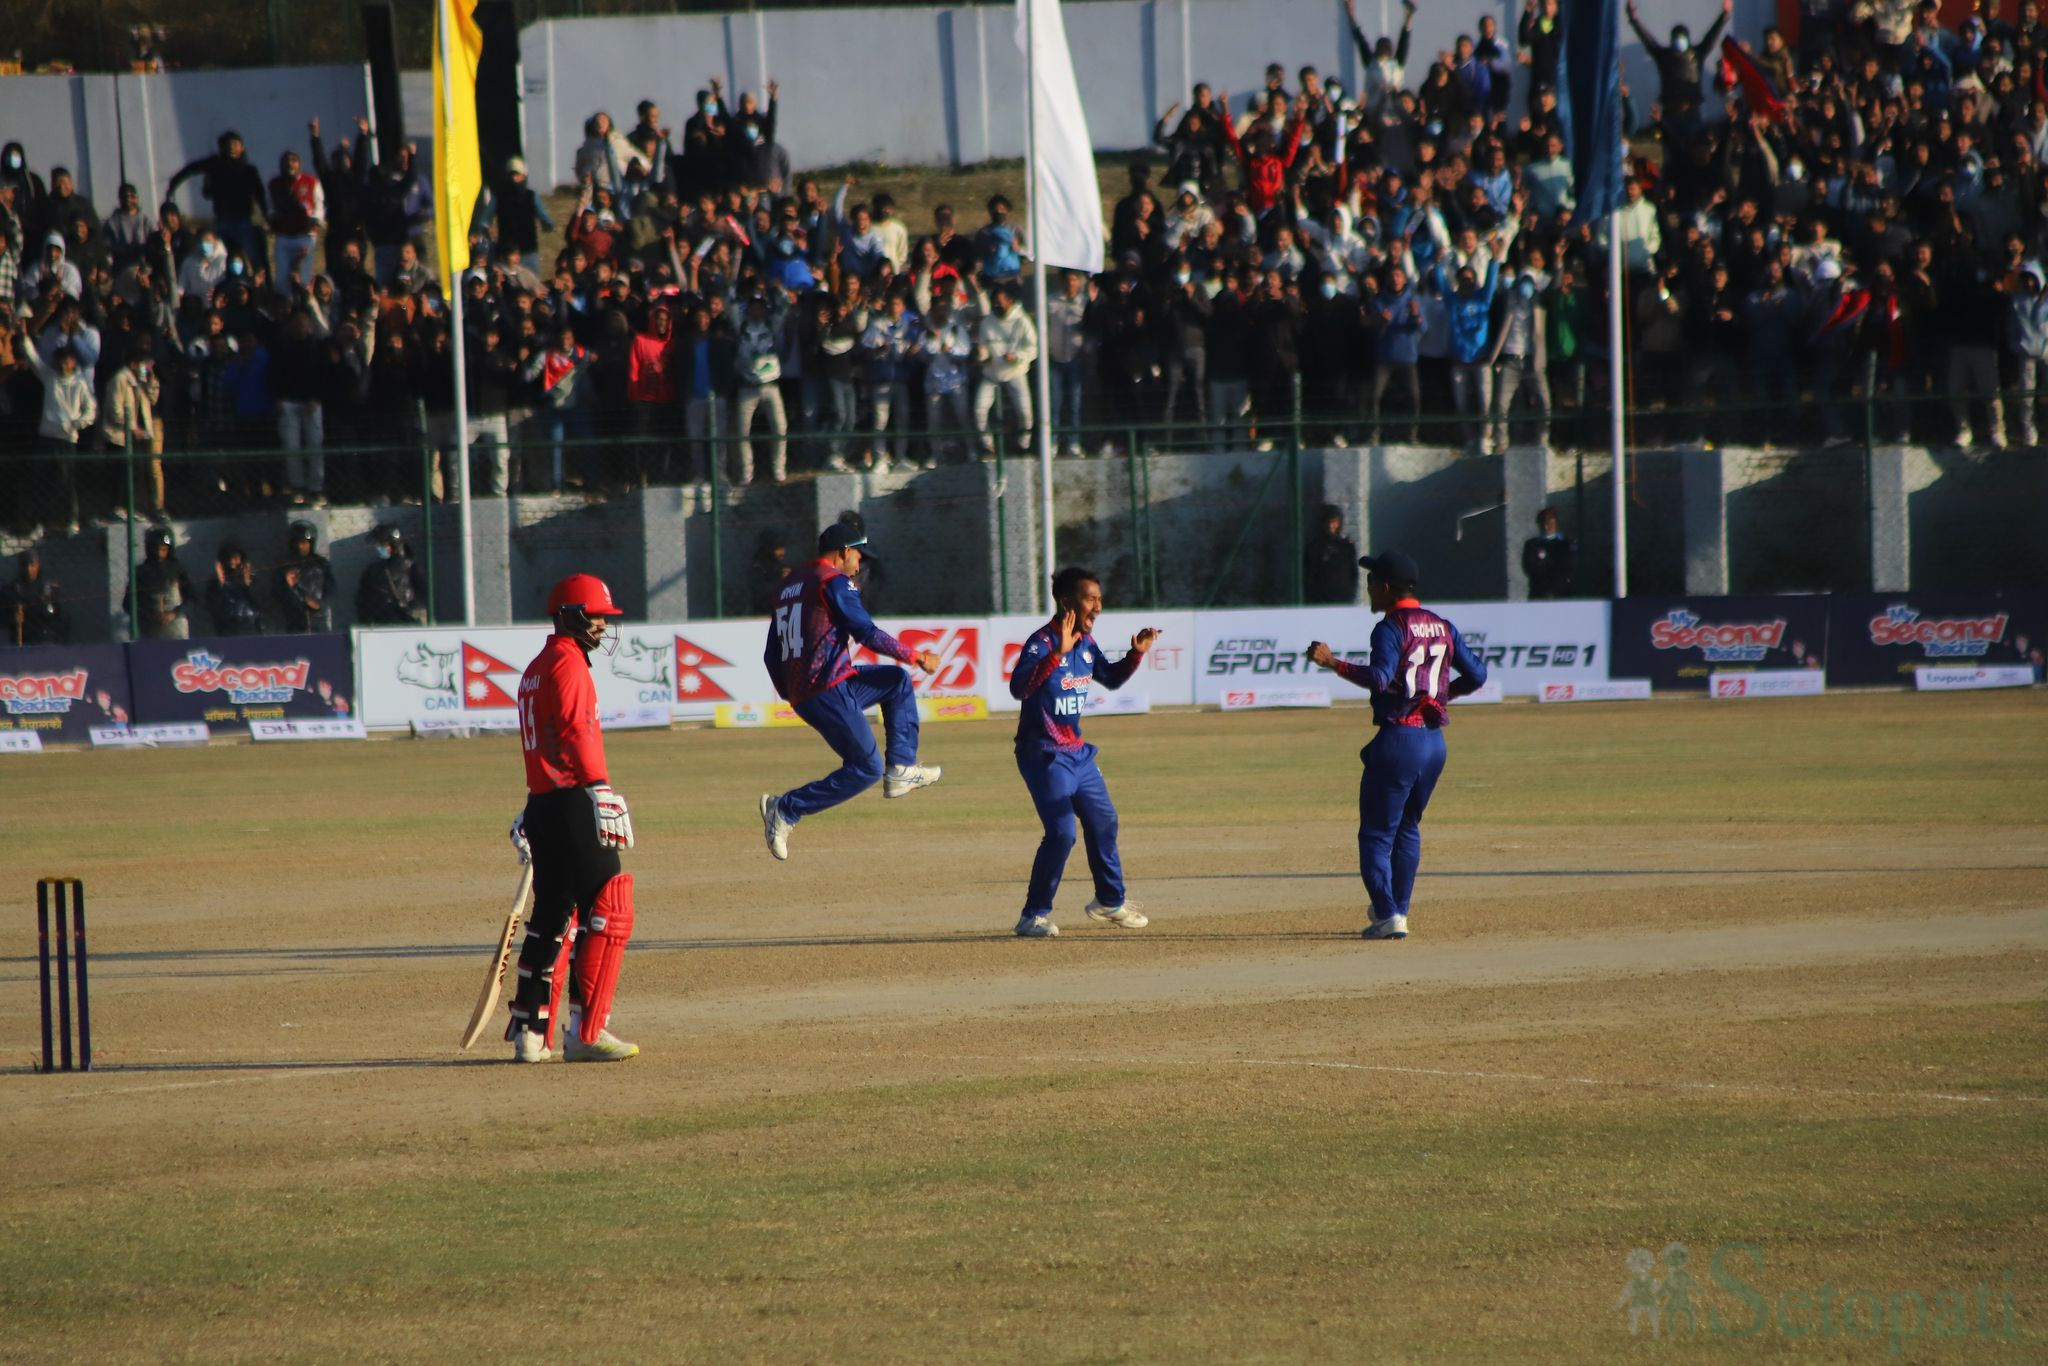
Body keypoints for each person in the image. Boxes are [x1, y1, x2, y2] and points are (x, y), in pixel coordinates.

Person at [1306, 551, 1486, 940]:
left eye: (1371, 582)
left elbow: (1380, 677)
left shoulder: (1389, 627)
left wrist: (1333, 663)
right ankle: (1398, 911)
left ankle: (1387, 914)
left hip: (1399, 740)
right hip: (1433, 743)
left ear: (1386, 587)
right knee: (1408, 827)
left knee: (1375, 835)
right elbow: (1478, 675)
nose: (1368, 588)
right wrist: (1439, 697)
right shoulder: (1442, 625)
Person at [504, 573, 640, 1064]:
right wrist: (600, 789)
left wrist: (533, 804)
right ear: (569, 615)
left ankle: (530, 1032)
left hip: (544, 803)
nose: (602, 625)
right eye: (595, 615)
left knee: (552, 916)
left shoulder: (536, 668)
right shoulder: (568, 664)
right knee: (608, 907)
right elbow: (578, 732)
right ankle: (587, 1030)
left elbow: (540, 744)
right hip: (575, 799)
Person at [757, 523, 943, 862]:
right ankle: (785, 808)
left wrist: (791, 693)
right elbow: (866, 633)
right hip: (827, 688)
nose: (859, 565)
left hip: (820, 688)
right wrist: (916, 656)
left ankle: (901, 768)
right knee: (867, 768)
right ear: (844, 552)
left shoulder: (789, 586)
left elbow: (771, 654)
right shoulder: (832, 581)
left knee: (895, 682)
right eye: (859, 556)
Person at [1007, 567, 1159, 939]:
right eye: (1090, 599)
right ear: (1067, 602)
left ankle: (1109, 901)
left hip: (1078, 754)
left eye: (1099, 599)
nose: (1098, 606)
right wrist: (1055, 654)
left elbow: (1111, 677)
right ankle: (1033, 916)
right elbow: (1018, 689)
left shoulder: (1086, 643)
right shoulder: (1042, 642)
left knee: (1104, 820)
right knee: (1062, 833)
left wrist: (1135, 655)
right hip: (1044, 754)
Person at [127, 525, 194, 641]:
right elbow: (128, 603)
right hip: (150, 627)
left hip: (175, 626)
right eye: (155, 549)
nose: (159, 554)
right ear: (149, 549)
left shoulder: (178, 570)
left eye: (163, 549)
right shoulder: (141, 572)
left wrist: (174, 614)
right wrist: (148, 615)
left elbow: (191, 599)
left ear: (169, 549)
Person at [355, 525, 428, 625]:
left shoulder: (410, 567)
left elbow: (421, 596)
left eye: (381, 545)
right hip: (386, 622)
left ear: (393, 546)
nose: (378, 548)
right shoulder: (376, 570)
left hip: (405, 621)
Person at [275, 520, 335, 633]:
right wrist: (289, 585)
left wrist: (319, 605)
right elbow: (277, 595)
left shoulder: (321, 565)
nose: (300, 546)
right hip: (295, 623)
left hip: (318, 621)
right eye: (296, 543)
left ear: (311, 543)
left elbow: (330, 591)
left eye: (304, 542)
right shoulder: (285, 567)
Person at [4, 550, 64, 646]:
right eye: (24, 565)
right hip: (21, 640)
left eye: (32, 565)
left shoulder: (48, 589)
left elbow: (57, 616)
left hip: (44, 639)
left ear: (38, 565)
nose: (28, 569)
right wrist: (13, 617)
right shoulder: (11, 590)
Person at [205, 542, 266, 636]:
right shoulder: (215, 583)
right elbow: (212, 606)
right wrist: (221, 584)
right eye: (230, 557)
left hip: (250, 625)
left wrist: (248, 583)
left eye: (237, 557)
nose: (234, 561)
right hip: (229, 627)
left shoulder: (251, 579)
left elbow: (259, 603)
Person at [1303, 505, 1360, 603]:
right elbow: (1309, 574)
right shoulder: (1314, 547)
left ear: (1339, 523)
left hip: (1343, 599)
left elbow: (1353, 573)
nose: (1331, 526)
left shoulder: (1346, 547)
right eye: (1328, 522)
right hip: (1320, 600)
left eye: (1334, 522)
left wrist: (1350, 594)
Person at [1522, 507, 1575, 598]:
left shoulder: (1566, 544)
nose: (1546, 527)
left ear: (1555, 522)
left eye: (1549, 523)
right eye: (1542, 523)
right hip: (1539, 592)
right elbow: (1529, 566)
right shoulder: (1532, 545)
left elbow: (1569, 566)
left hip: (1561, 593)